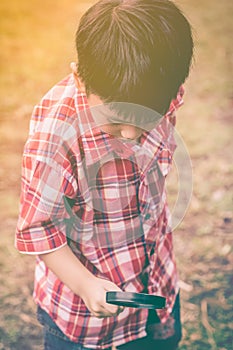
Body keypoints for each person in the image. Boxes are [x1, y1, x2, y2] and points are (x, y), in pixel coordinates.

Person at [15, 0, 194, 349]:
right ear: (80, 79)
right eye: (116, 121)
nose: (130, 135)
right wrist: (85, 284)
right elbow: (39, 229)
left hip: (155, 286)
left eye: (145, 118)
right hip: (85, 315)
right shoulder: (56, 140)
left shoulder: (157, 91)